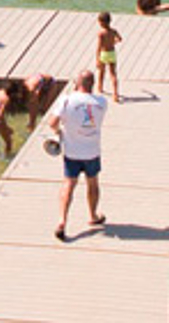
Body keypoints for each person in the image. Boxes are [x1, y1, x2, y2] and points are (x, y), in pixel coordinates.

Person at [47, 70, 107, 241]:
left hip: (72, 151)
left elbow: (52, 122)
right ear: (92, 84)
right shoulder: (102, 102)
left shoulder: (66, 100)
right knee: (93, 183)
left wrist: (59, 131)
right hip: (92, 151)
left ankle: (62, 221)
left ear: (77, 83)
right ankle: (93, 215)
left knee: (68, 185)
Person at [95, 12, 122, 102]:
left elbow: (99, 47)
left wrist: (97, 59)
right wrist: (114, 42)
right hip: (112, 53)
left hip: (104, 53)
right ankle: (115, 93)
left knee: (102, 72)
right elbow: (120, 39)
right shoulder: (113, 31)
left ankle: (100, 87)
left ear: (102, 22)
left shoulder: (101, 34)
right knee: (113, 74)